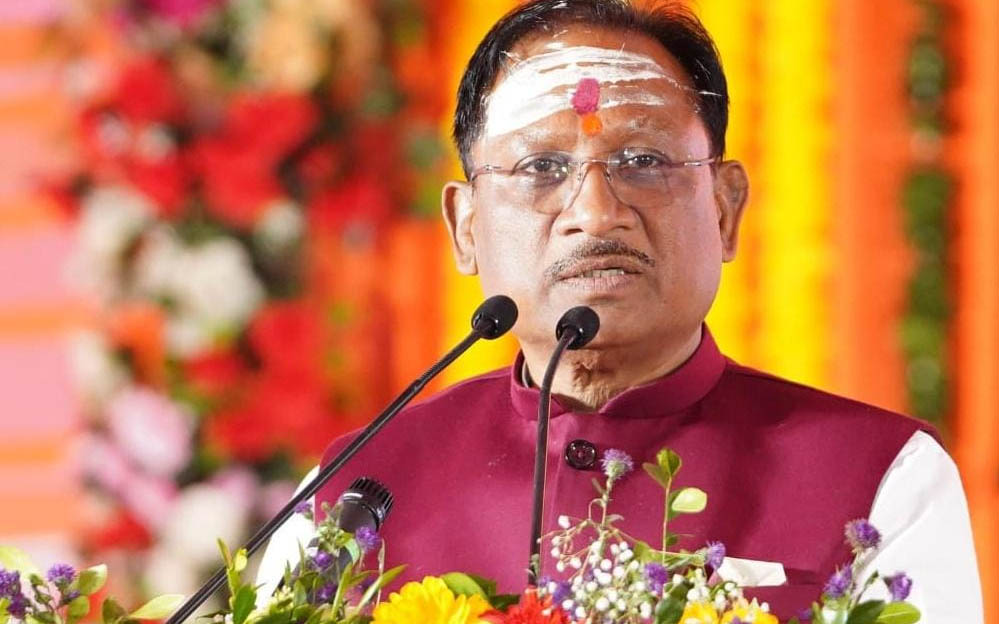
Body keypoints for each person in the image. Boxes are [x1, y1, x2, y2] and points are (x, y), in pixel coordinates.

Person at [257, 1, 983, 619]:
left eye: (644, 162)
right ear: (466, 228)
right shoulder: (354, 495)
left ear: (725, 208)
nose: (596, 212)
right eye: (542, 167)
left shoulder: (880, 480)